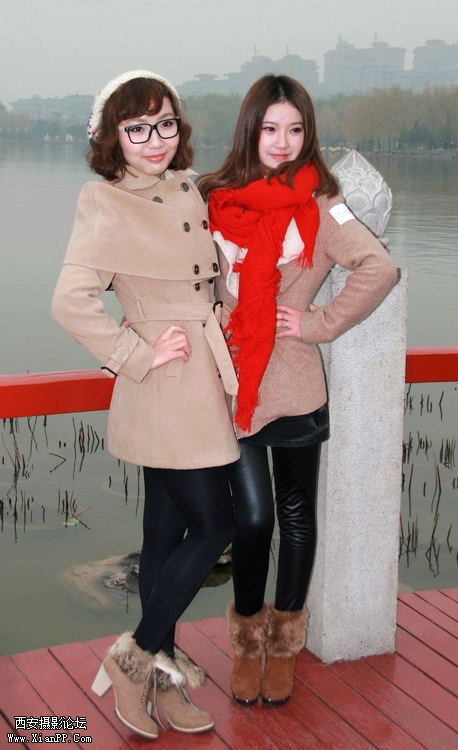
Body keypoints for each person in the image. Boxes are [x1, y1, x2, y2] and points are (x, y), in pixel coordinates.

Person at [197, 75, 398, 706]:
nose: (282, 142)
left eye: (295, 129)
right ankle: (246, 638)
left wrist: (318, 323)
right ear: (250, 130)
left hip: (295, 386)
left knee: (295, 514)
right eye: (270, 128)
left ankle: (282, 646)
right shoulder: (213, 198)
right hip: (235, 386)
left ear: (307, 133)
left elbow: (379, 267)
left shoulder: (322, 202)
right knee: (253, 518)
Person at [52, 71, 240, 739]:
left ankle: (157, 679)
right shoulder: (104, 201)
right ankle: (135, 657)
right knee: (218, 527)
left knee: (162, 539)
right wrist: (136, 353)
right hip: (164, 387)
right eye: (136, 128)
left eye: (164, 123)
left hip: (201, 378)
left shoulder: (188, 186)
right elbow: (70, 302)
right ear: (112, 137)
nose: (154, 139)